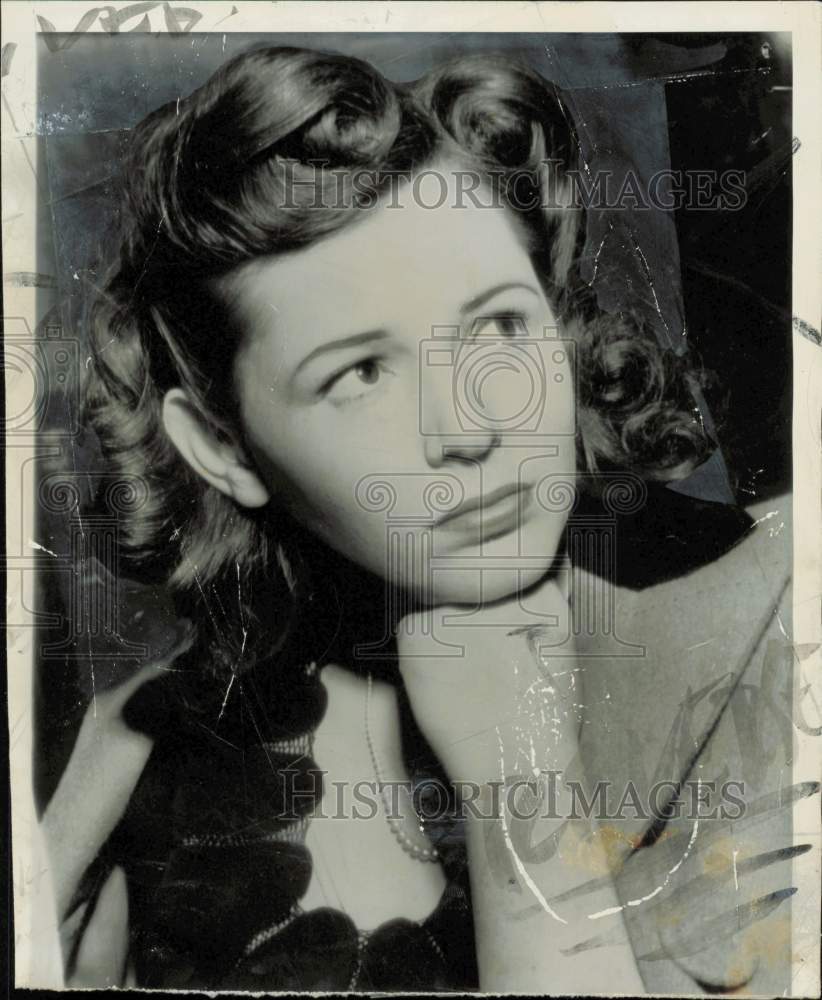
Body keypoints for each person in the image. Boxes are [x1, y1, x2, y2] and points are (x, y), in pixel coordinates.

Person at [40, 45, 797, 994]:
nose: (471, 426)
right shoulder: (169, 760)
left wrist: (513, 778)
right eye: (360, 373)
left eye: (498, 328)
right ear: (223, 450)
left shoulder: (782, 621)